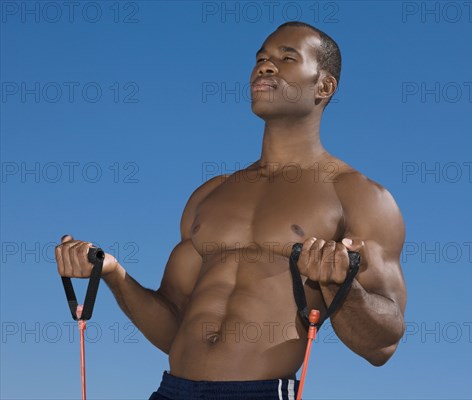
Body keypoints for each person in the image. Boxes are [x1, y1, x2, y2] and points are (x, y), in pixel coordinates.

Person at [55, 21, 407, 400]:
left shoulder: (358, 195)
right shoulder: (211, 193)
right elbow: (173, 326)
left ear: (324, 86)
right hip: (170, 390)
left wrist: (342, 285)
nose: (265, 66)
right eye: (261, 59)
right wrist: (113, 273)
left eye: (287, 58)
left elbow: (382, 346)